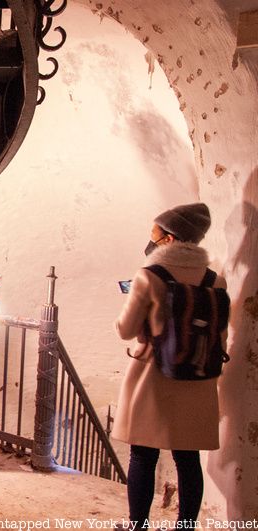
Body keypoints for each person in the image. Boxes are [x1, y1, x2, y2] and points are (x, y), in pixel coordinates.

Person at [112, 203, 227, 529]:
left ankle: (138, 526)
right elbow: (220, 335)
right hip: (198, 377)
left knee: (143, 455)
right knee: (187, 459)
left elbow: (126, 330)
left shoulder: (149, 276)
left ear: (170, 238)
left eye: (155, 234)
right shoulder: (215, 281)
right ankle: (185, 527)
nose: (151, 240)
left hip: (154, 375)